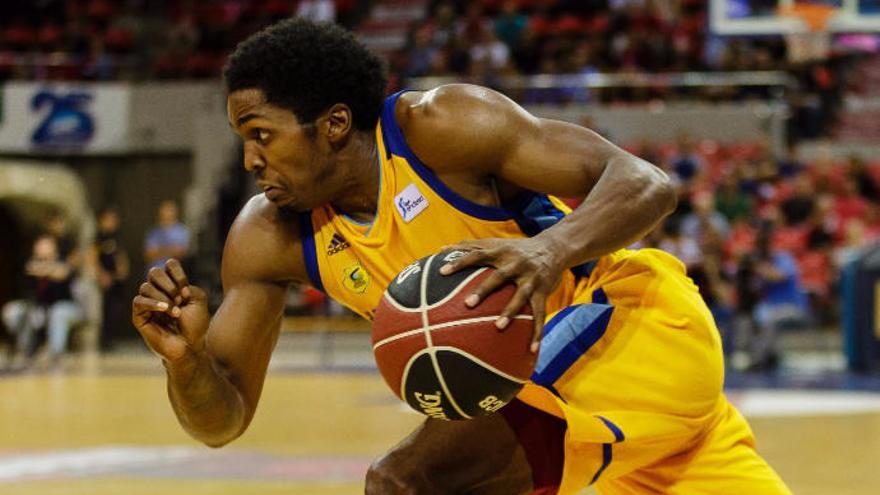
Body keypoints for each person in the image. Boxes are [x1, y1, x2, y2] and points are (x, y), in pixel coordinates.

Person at [132, 19, 791, 495]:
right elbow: (223, 421)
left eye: (261, 135)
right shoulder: (267, 236)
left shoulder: (438, 127)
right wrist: (187, 363)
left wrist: (546, 251)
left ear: (333, 125)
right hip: (611, 419)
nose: (250, 160)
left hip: (633, 326)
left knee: (404, 483)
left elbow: (647, 183)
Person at [3, 234, 83, 368]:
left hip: (67, 308)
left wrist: (45, 269)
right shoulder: (30, 262)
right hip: (38, 308)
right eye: (39, 246)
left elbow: (63, 273)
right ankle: (25, 350)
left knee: (58, 312)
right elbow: (28, 272)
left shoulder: (63, 261)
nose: (40, 248)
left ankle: (55, 355)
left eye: (44, 245)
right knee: (13, 311)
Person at [92, 207, 129, 350]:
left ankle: (111, 338)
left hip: (116, 280)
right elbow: (93, 257)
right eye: (109, 219)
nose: (112, 222)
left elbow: (121, 255)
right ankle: (103, 341)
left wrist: (123, 269)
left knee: (116, 309)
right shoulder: (98, 237)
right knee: (104, 310)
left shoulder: (117, 237)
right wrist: (101, 274)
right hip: (103, 280)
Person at [144, 200, 190, 273]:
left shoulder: (182, 231)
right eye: (163, 212)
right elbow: (148, 254)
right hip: (155, 273)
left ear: (175, 213)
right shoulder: (153, 232)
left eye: (169, 211)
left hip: (174, 274)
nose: (166, 214)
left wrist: (159, 251)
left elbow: (181, 253)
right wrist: (170, 250)